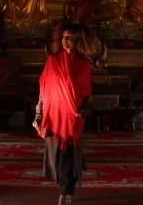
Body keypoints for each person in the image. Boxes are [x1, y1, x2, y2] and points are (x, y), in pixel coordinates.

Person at [34, 22, 96, 204]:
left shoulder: (83, 65)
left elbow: (87, 94)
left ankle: (66, 191)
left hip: (72, 118)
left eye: (69, 38)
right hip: (54, 116)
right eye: (63, 37)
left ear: (77, 41)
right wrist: (38, 114)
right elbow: (44, 90)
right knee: (57, 156)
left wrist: (85, 110)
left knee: (69, 155)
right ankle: (65, 188)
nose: (65, 41)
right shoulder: (52, 61)